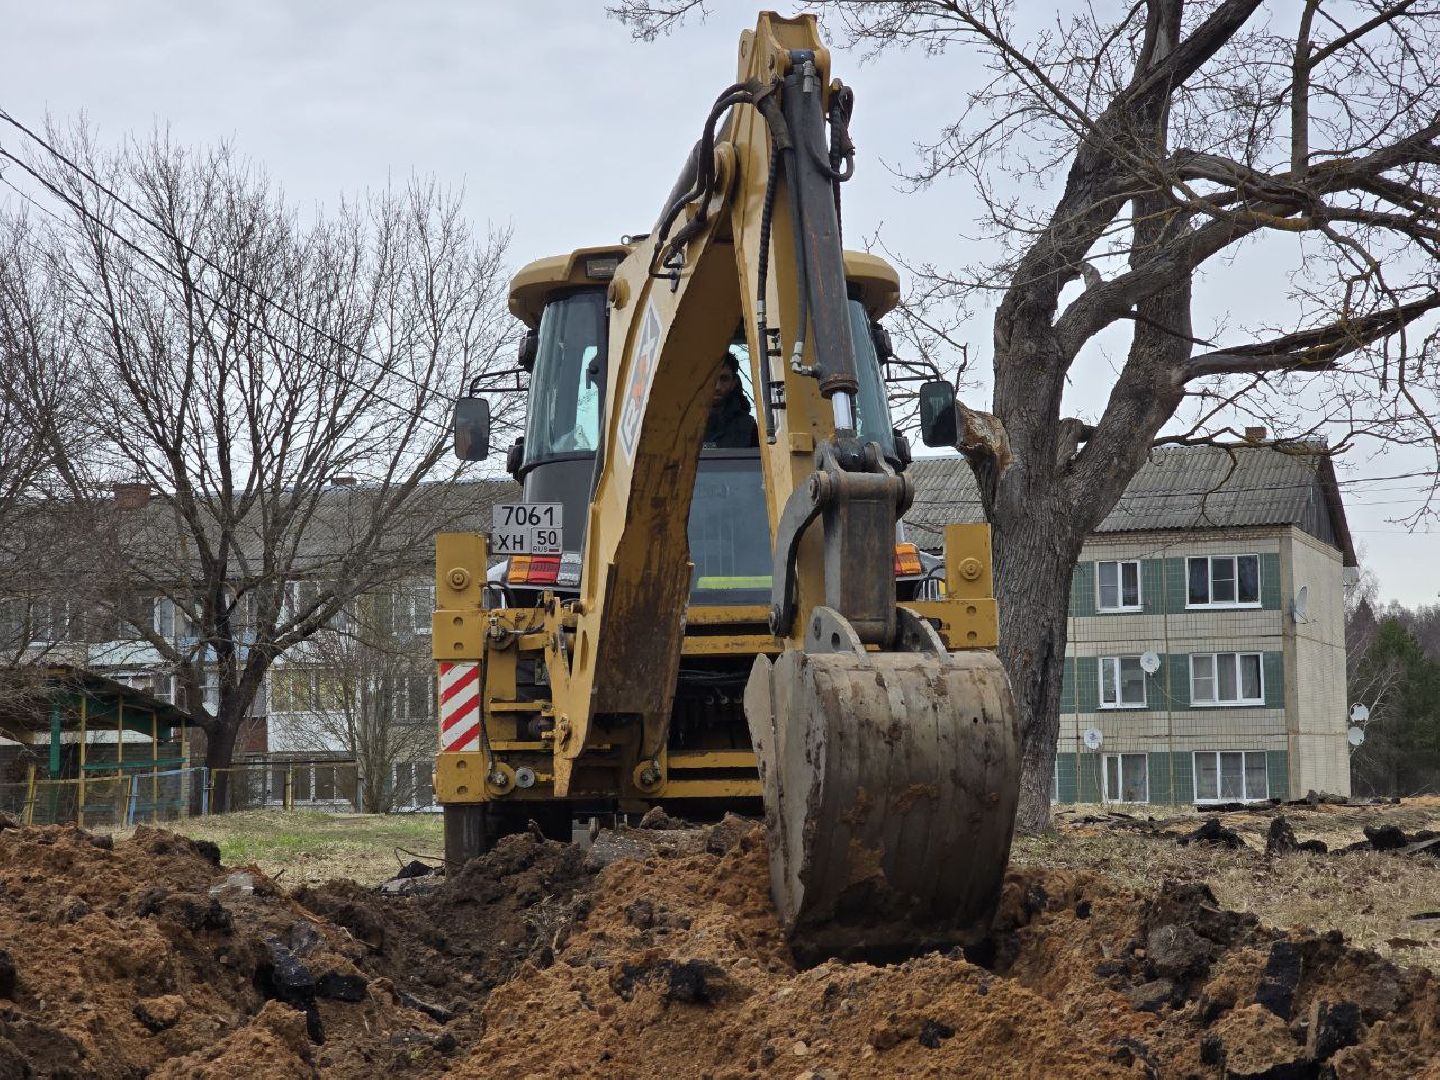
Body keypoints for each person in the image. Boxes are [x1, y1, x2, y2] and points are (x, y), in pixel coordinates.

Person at [703, 353, 759, 448]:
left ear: (734, 383)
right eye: (711, 379)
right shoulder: (680, 425)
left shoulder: (748, 427)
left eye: (724, 379)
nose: (717, 387)